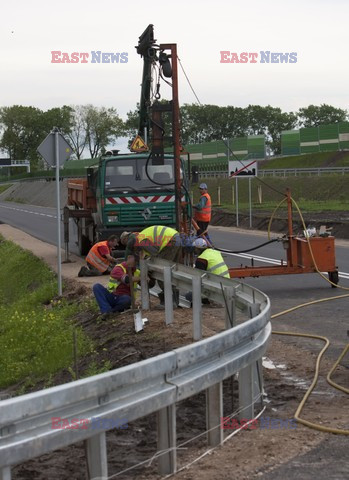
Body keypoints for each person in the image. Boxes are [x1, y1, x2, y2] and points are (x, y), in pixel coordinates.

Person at [136, 225, 182, 308]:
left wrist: (150, 271)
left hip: (171, 240)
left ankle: (169, 303)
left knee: (161, 270)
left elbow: (155, 252)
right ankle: (174, 301)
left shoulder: (141, 240)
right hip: (176, 237)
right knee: (171, 270)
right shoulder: (143, 237)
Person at [185, 238, 229, 305]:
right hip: (227, 283)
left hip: (216, 286)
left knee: (189, 296)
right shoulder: (215, 252)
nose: (194, 250)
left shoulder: (202, 259)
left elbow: (198, 278)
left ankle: (207, 302)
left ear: (197, 248)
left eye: (195, 248)